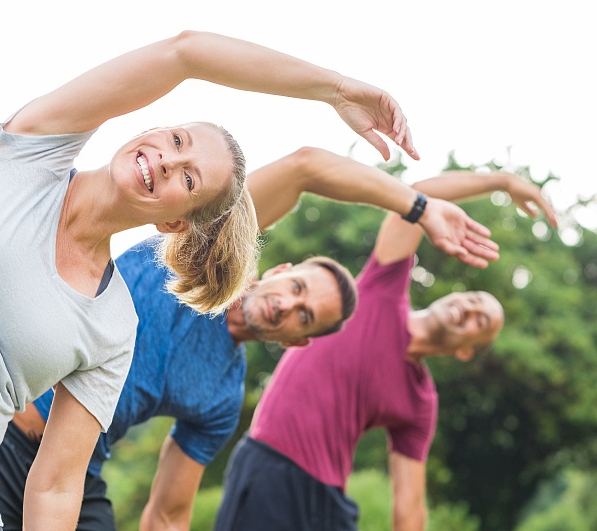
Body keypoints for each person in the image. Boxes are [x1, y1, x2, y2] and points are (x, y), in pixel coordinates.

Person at [0, 30, 445, 531]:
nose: (168, 160)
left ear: (176, 222)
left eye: (189, 179)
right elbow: (186, 52)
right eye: (176, 139)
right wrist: (334, 89)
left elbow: (67, 487)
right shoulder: (28, 151)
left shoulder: (122, 325)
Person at [0, 146, 502, 531]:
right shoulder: (196, 256)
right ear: (278, 270)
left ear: (297, 342)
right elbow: (305, 167)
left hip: (75, 476)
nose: (287, 305)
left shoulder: (219, 398)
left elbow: (169, 514)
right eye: (297, 288)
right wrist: (420, 207)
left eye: (304, 316)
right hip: (3, 439)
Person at [213, 169, 558, 531]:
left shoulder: (420, 402)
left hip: (329, 507)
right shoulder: (383, 288)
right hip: (271, 467)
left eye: (480, 322)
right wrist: (500, 182)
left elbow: (409, 503)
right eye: (474, 300)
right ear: (455, 293)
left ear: (467, 350)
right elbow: (416, 198)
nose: (470, 310)